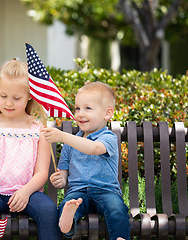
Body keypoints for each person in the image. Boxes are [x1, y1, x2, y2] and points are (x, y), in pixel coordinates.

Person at [0, 58, 62, 240]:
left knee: (48, 210)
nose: (8, 103)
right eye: (3, 96)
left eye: (16, 98)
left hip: (28, 192)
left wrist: (25, 191)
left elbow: (41, 173)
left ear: (30, 95)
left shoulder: (40, 131)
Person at [41, 81, 130, 240]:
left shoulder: (108, 138)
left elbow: (94, 148)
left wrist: (62, 136)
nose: (80, 113)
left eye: (88, 108)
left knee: (117, 208)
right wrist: (59, 180)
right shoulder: (70, 143)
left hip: (106, 191)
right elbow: (63, 173)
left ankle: (120, 238)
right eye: (77, 108)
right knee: (67, 204)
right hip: (78, 191)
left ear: (107, 114)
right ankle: (67, 224)